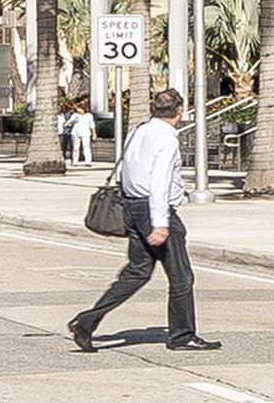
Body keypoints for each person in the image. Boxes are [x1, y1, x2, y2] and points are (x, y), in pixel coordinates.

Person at [68, 87, 215, 353]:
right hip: (155, 210)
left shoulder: (139, 130)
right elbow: (159, 181)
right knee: (182, 278)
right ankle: (182, 336)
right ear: (179, 111)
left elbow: (126, 169)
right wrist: (160, 222)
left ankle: (87, 321)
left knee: (137, 272)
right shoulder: (167, 138)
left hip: (133, 207)